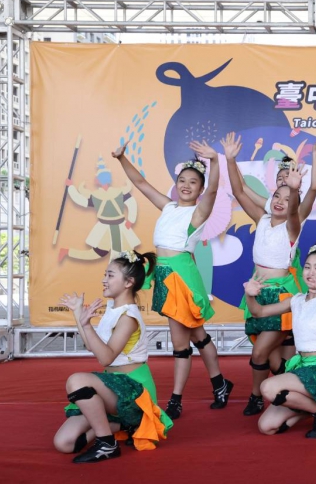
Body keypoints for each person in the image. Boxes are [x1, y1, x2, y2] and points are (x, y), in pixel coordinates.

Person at [112, 137, 232, 420]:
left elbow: (214, 190)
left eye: (193, 182)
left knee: (181, 345)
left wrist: (215, 160)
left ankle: (176, 400)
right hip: (166, 276)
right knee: (198, 335)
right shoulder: (168, 207)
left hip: (181, 279)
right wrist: (121, 158)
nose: (186, 185)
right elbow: (141, 184)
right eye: (182, 180)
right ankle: (220, 384)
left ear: (200, 189)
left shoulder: (198, 212)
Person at [226, 133, 316, 416]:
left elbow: (299, 205)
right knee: (271, 359)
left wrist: (296, 186)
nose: (281, 201)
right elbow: (238, 190)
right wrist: (231, 159)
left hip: (281, 294)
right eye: (277, 196)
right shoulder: (262, 219)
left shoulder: (292, 227)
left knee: (258, 353)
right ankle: (296, 390)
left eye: (288, 198)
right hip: (257, 292)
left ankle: (256, 396)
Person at [53, 251, 172, 463]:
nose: (103, 280)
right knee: (64, 443)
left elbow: (105, 358)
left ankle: (107, 442)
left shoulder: (128, 317)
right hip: (112, 389)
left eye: (110, 275)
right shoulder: (113, 309)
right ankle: (121, 425)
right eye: (105, 275)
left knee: (76, 381)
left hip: (133, 391)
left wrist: (86, 325)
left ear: (129, 282)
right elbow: (93, 346)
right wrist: (78, 314)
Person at [245, 241, 316, 438]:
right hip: (302, 366)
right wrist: (250, 295)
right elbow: (259, 312)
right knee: (266, 426)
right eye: (307, 267)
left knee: (268, 387)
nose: (311, 272)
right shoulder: (296, 300)